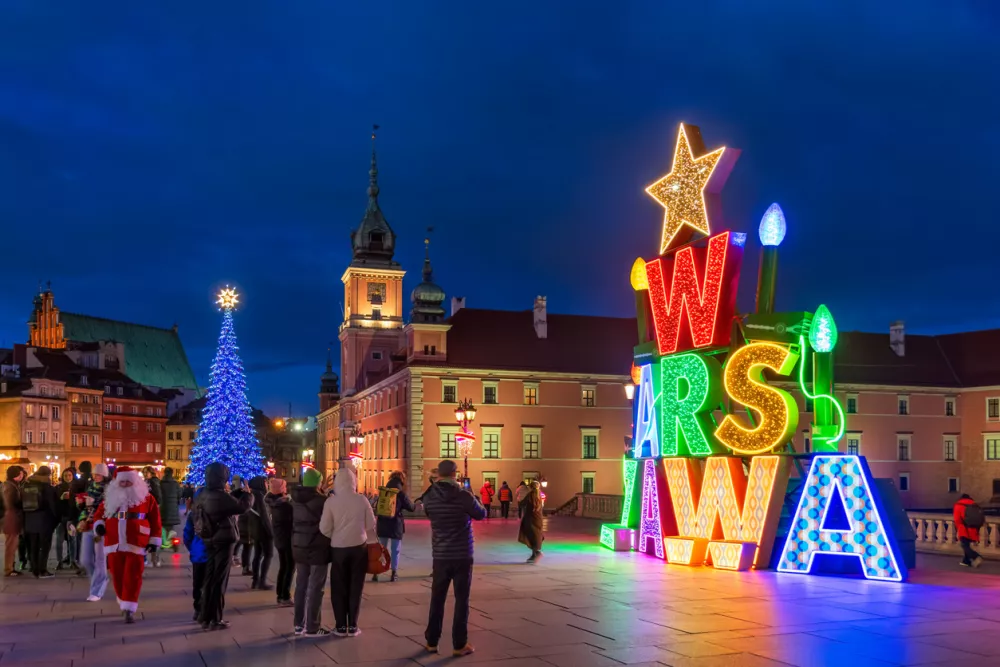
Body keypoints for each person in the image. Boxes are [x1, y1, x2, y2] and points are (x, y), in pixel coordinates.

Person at [421, 460, 487, 657]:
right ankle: (459, 644)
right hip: (462, 554)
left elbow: (429, 514)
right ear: (455, 473)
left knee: (437, 599)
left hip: (440, 555)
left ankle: (432, 642)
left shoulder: (429, 496)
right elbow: (481, 514)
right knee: (461, 600)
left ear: (439, 474)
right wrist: (473, 495)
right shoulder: (463, 496)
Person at [93, 466, 162, 623]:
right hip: (114, 541)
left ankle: (129, 608)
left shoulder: (147, 498)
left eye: (128, 482)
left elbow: (155, 520)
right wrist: (99, 525)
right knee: (117, 575)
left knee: (133, 575)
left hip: (137, 541)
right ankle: (123, 600)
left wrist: (154, 540)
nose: (124, 484)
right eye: (122, 481)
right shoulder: (109, 498)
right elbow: (99, 514)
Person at [195, 462, 254, 630]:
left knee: (210, 577)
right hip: (223, 540)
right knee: (219, 580)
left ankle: (204, 616)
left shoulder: (203, 493)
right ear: (222, 477)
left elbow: (226, 501)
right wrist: (249, 495)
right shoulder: (220, 496)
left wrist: (236, 493)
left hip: (209, 538)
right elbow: (241, 507)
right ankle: (215, 618)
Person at [320, 467, 377, 637]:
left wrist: (336, 535)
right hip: (359, 547)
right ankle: (353, 625)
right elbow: (370, 524)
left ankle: (340, 626)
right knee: (356, 586)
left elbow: (324, 528)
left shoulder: (330, 502)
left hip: (338, 548)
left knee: (338, 587)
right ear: (354, 482)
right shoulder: (362, 500)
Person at [291, 467, 331, 637]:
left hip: (299, 546)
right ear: (317, 483)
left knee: (300, 586)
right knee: (316, 588)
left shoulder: (295, 500)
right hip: (318, 548)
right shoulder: (324, 501)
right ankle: (313, 627)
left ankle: (298, 625)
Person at [373, 470, 416, 583]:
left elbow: (378, 507)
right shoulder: (400, 493)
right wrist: (416, 504)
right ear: (401, 480)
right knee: (395, 549)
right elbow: (411, 507)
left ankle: (376, 572)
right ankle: (394, 572)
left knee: (381, 549)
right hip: (396, 524)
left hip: (382, 524)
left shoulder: (383, 492)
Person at [76, 463, 110, 601]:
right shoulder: (90, 487)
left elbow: (108, 508)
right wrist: (81, 507)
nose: (95, 476)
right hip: (88, 525)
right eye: (94, 474)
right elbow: (86, 508)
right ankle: (99, 579)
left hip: (101, 526)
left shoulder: (108, 490)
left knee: (100, 560)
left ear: (104, 475)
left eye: (98, 474)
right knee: (85, 559)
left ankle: (97, 591)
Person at [22, 465, 59, 578]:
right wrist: (56, 519)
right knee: (45, 546)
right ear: (48, 474)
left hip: (29, 519)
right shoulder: (47, 486)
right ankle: (43, 569)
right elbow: (53, 505)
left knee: (33, 546)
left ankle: (35, 569)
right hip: (44, 520)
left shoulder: (27, 484)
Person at [265, 477, 294, 606]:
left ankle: (280, 594)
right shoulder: (285, 505)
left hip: (279, 538)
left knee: (283, 566)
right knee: (289, 567)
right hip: (287, 539)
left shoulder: (274, 503)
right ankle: (285, 596)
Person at [183, 488, 208, 620]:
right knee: (210, 583)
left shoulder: (193, 515)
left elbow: (187, 536)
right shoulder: (214, 513)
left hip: (198, 554)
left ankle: (198, 608)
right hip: (212, 554)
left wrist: (193, 548)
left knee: (197, 583)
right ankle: (206, 608)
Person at [247, 475, 274, 590]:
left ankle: (255, 581)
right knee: (268, 554)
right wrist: (271, 532)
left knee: (257, 555)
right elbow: (264, 516)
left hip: (255, 529)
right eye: (265, 482)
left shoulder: (252, 495)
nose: (267, 484)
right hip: (263, 530)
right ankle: (262, 581)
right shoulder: (259, 496)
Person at [2, 466, 26, 577]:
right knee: (11, 544)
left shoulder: (10, 484)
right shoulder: (10, 486)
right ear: (16, 474)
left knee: (12, 543)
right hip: (11, 516)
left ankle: (11, 567)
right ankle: (8, 569)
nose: (22, 476)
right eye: (20, 474)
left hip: (11, 515)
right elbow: (11, 502)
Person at [55, 467, 79, 570]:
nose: (67, 477)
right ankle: (59, 561)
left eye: (69, 475)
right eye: (65, 475)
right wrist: (61, 498)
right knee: (59, 540)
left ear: (73, 476)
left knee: (72, 539)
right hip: (61, 518)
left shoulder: (76, 487)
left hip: (71, 517)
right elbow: (54, 502)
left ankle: (72, 561)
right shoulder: (58, 487)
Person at [141, 467, 164, 567]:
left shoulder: (150, 482)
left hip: (149, 508)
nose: (145, 474)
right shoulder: (157, 481)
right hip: (153, 508)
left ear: (151, 473)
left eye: (146, 472)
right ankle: (154, 558)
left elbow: (155, 496)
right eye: (144, 473)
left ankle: (149, 558)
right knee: (154, 533)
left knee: (149, 533)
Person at [954, 493, 984, 568]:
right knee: (966, 545)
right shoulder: (974, 505)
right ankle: (966, 561)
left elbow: (957, 519)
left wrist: (958, 528)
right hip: (973, 529)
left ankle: (976, 556)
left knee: (964, 545)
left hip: (963, 528)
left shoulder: (958, 505)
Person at [518, 480, 544, 562]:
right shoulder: (540, 495)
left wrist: (519, 501)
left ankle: (536, 552)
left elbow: (522, 503)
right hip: (538, 518)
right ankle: (534, 554)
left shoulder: (530, 495)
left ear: (531, 487)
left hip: (530, 518)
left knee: (530, 534)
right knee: (536, 534)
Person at [232, 474, 252, 573]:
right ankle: (245, 566)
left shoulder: (236, 494)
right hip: (244, 523)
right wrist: (248, 493)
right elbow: (246, 507)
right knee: (246, 544)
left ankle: (244, 565)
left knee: (243, 543)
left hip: (240, 523)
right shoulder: (245, 496)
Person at [159, 467, 181, 557]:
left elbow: (158, 495)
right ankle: (174, 544)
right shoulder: (175, 484)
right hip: (173, 509)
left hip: (163, 508)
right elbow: (179, 494)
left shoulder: (161, 483)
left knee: (162, 527)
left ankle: (163, 544)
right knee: (171, 528)